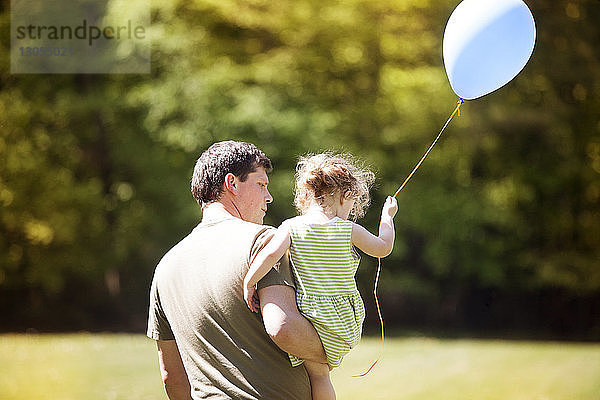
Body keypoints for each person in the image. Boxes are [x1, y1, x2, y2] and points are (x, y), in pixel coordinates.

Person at [147, 141, 327, 400]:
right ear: (231, 184)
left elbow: (172, 377)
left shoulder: (165, 266)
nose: (269, 196)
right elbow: (283, 327)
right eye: (261, 185)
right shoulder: (264, 242)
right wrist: (332, 348)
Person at [243, 153, 398, 400]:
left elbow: (270, 254)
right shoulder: (348, 229)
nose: (350, 211)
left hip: (312, 317)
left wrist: (249, 282)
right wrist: (387, 218)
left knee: (319, 376)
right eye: (352, 204)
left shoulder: (291, 227)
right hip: (345, 319)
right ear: (345, 195)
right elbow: (383, 248)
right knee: (324, 375)